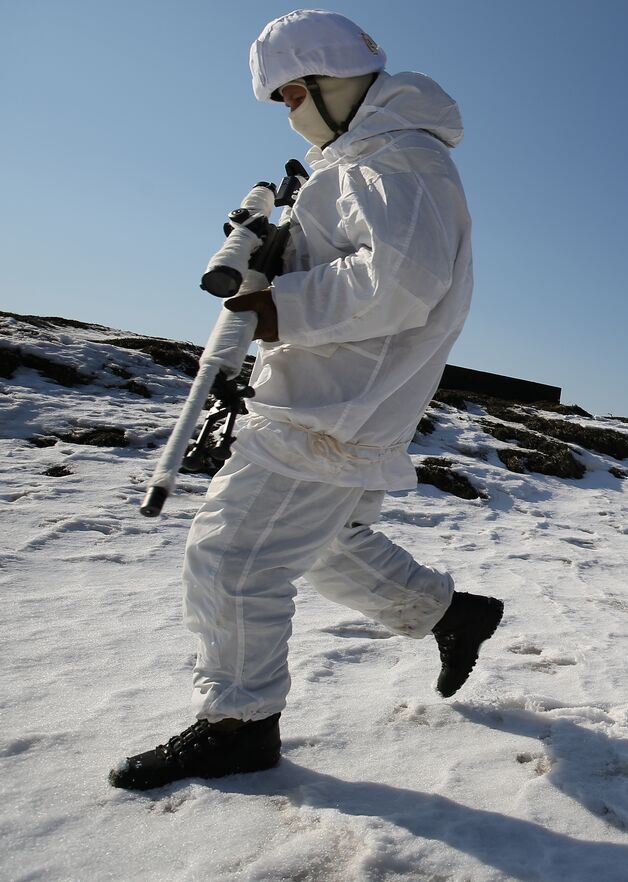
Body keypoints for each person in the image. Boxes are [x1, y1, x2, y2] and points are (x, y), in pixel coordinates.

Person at [110, 10, 503, 790]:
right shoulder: (366, 158)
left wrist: (278, 307)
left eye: (291, 93)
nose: (288, 111)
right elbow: (365, 259)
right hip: (340, 396)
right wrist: (282, 256)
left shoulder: (394, 160)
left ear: (326, 80)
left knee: (230, 560)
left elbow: (400, 281)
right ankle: (450, 615)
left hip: (333, 406)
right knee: (324, 546)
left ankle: (239, 726)